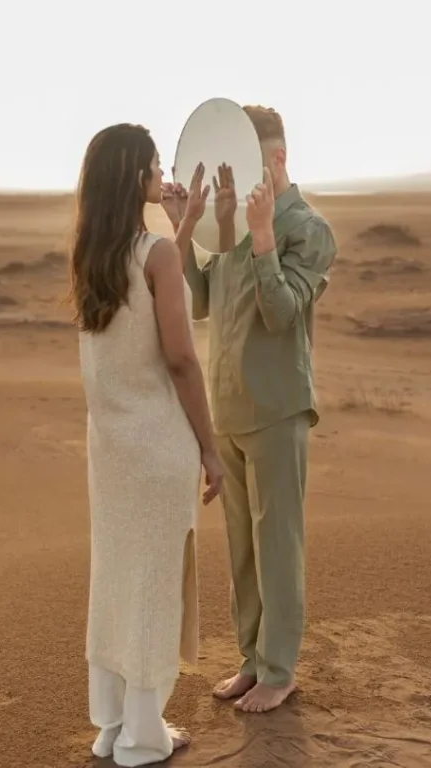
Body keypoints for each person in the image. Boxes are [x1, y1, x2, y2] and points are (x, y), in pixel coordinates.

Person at [163, 105, 338, 714]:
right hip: (229, 406)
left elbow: (282, 313)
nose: (238, 181)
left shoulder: (308, 229)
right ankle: (251, 660)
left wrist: (263, 240)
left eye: (250, 163)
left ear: (279, 158)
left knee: (277, 542)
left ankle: (279, 669)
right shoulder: (229, 228)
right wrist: (181, 228)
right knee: (241, 545)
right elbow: (205, 300)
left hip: (278, 406)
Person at [70, 123, 224, 766]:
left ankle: (113, 725)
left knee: (118, 576)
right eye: (157, 168)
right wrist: (211, 450)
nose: (165, 177)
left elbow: (153, 284)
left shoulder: (91, 255)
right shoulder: (154, 254)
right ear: (136, 178)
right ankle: (143, 737)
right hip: (158, 447)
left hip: (110, 451)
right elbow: (182, 359)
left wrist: (180, 231)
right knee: (156, 583)